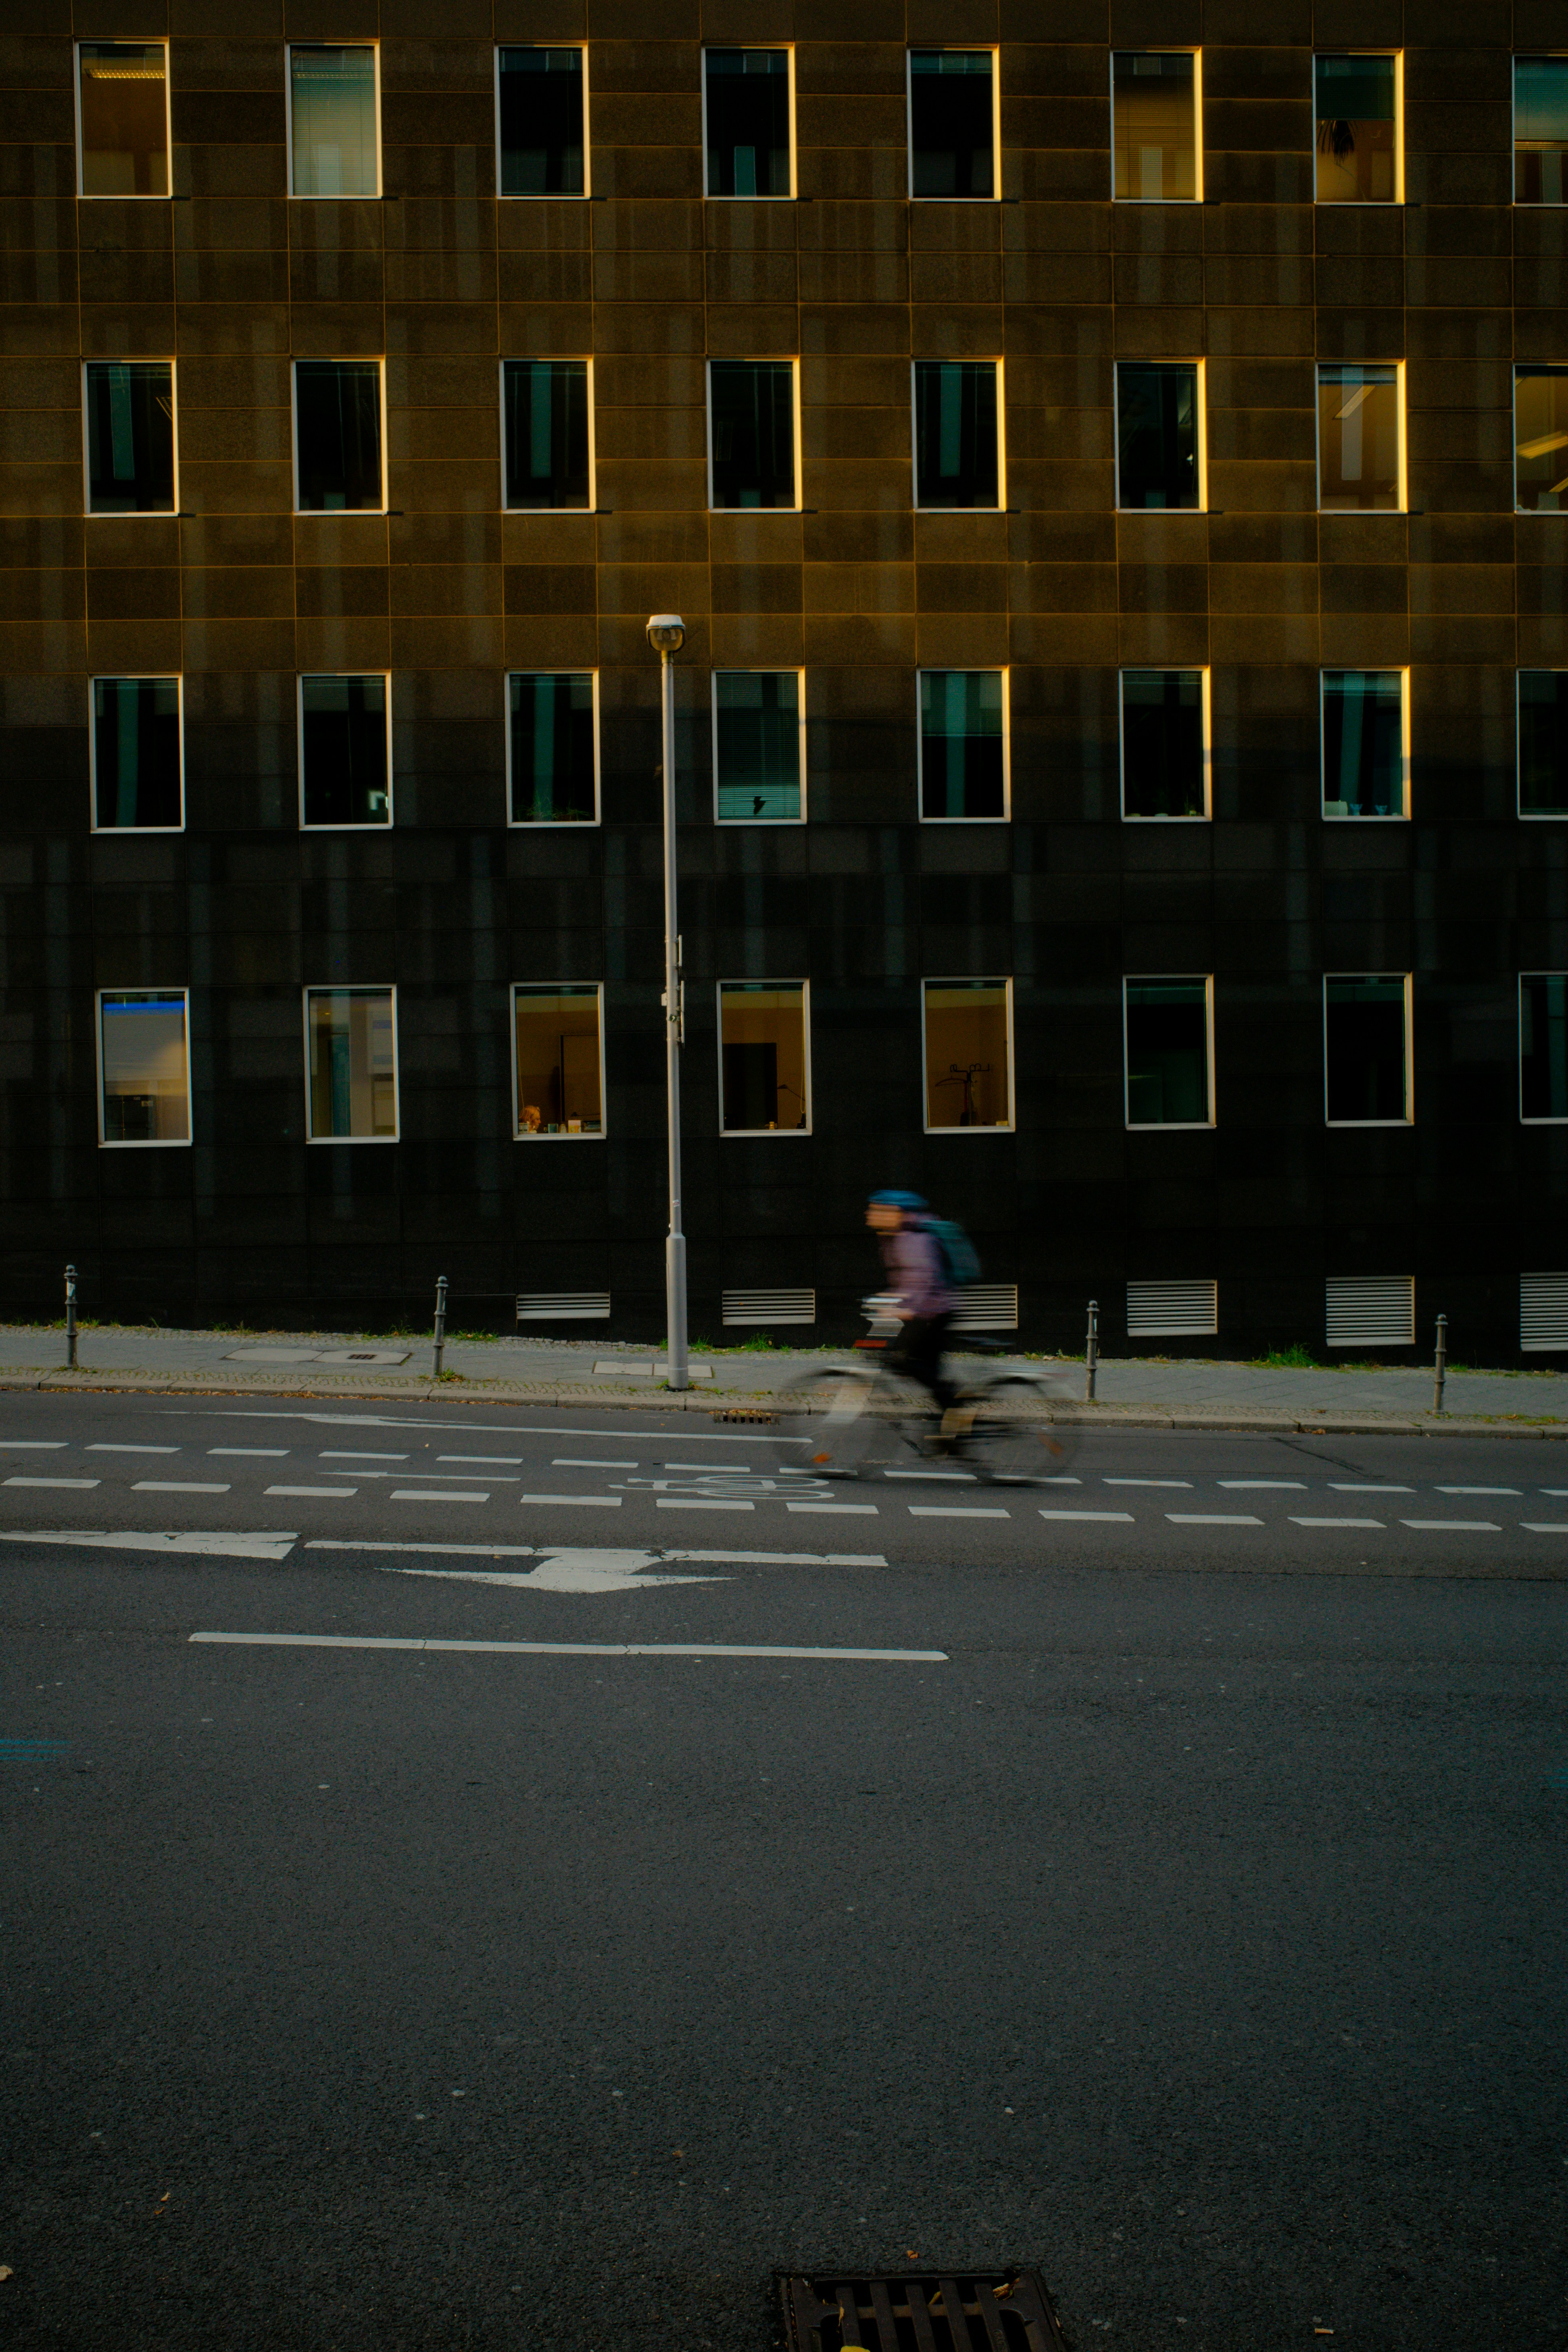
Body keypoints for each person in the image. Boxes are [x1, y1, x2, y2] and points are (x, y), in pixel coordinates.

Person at [864, 1188, 959, 1428]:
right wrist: (889, 1299)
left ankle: (958, 1412)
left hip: (936, 1311)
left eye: (875, 1209)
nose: (869, 1214)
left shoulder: (912, 1238)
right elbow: (904, 1279)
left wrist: (905, 1309)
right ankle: (953, 1421)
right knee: (924, 1370)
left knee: (916, 1366)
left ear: (893, 1212)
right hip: (929, 1309)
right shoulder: (894, 1234)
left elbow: (922, 1277)